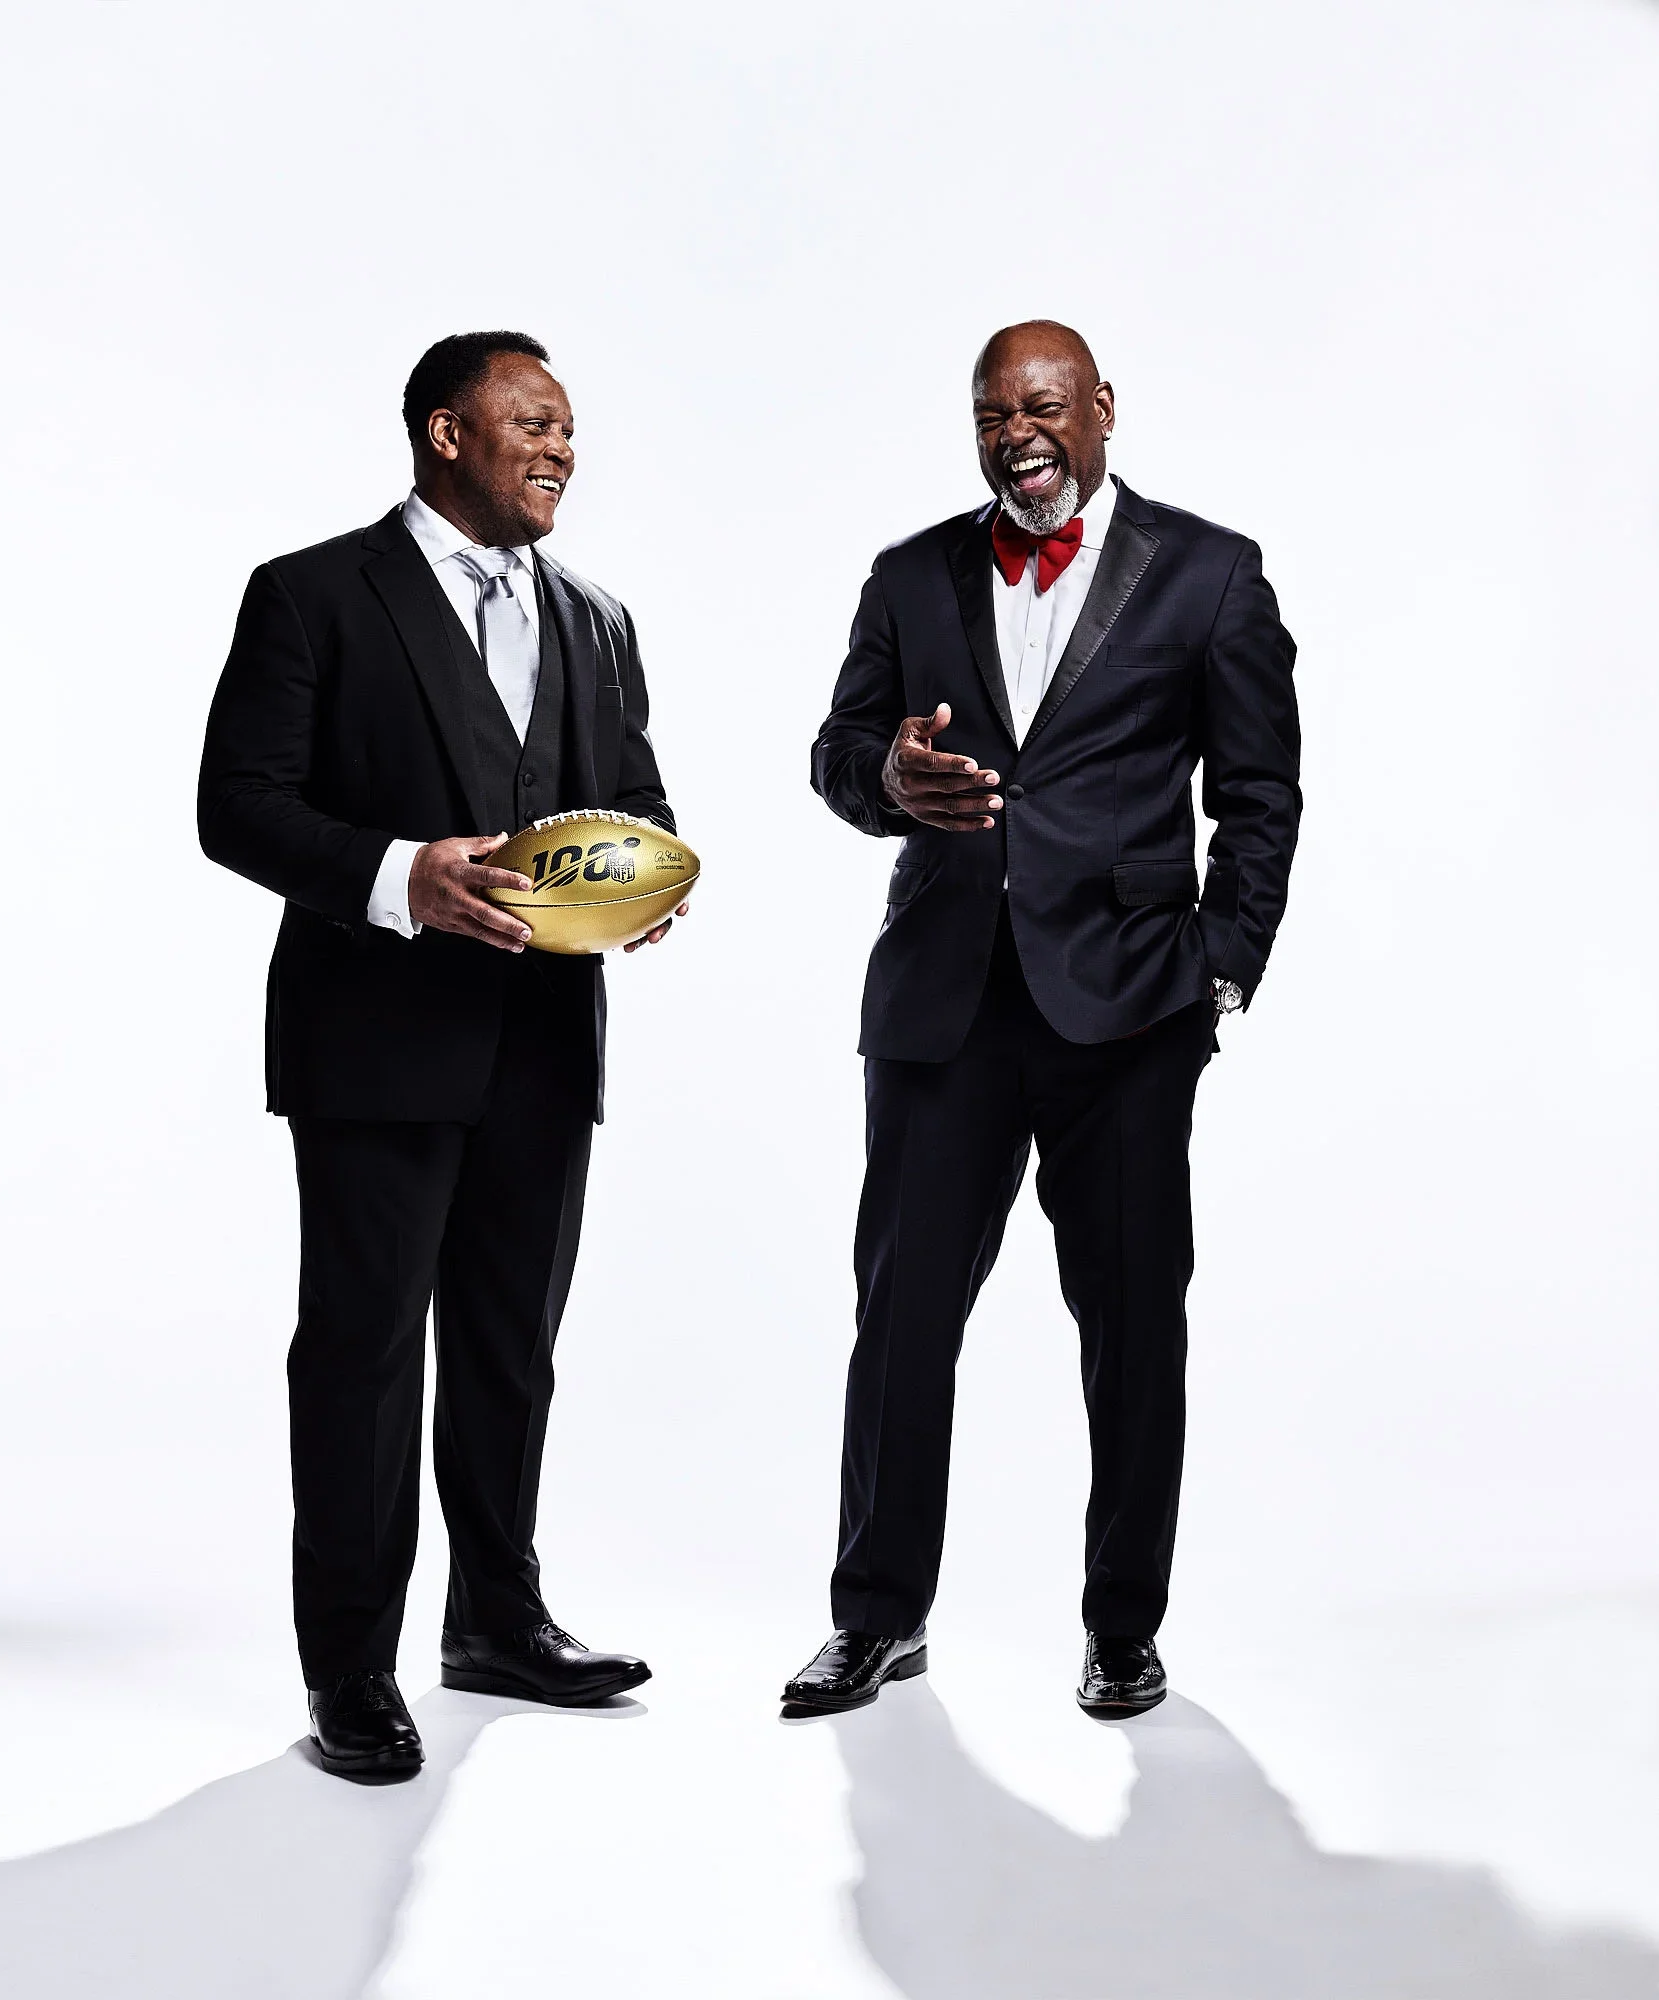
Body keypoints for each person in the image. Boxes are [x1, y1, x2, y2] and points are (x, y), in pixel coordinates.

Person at [785, 320, 1300, 1718]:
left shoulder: (1208, 573)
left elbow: (1258, 793)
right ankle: (877, 1618)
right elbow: (835, 752)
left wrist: (1218, 969)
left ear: (1100, 410)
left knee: (1130, 1327)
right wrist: (887, 777)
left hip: (1128, 1014)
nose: (1021, 433)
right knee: (898, 1321)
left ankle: (1122, 1629)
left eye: (1045, 406)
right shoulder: (910, 576)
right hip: (943, 1009)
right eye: (993, 414)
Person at [199, 331, 682, 1780]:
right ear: (441, 432)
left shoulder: (596, 618)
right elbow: (236, 807)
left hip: (544, 1044)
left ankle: (495, 1620)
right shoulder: (312, 597)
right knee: (358, 1357)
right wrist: (398, 874)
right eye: (530, 422)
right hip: (372, 1044)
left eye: (570, 429)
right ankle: (350, 1666)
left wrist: (642, 882)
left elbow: (633, 796)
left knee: (505, 1350)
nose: (559, 449)